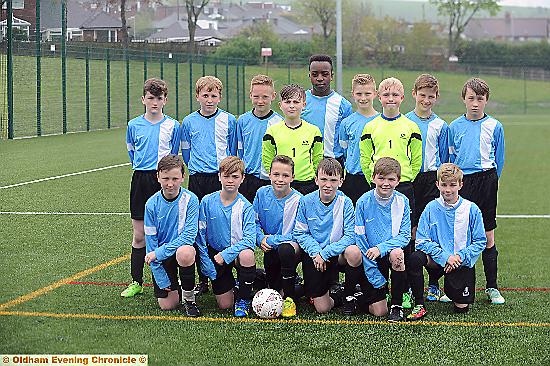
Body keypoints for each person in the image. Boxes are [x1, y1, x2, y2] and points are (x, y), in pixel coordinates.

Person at [359, 76, 422, 309]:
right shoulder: (371, 126)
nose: (390, 99)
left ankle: (403, 291)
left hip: (402, 185)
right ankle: (378, 285)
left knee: (405, 237)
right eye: (386, 95)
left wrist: (407, 178)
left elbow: (416, 159)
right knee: (376, 234)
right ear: (379, 96)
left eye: (395, 95)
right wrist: (372, 180)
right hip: (378, 186)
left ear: (403, 98)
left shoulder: (411, 127)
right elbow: (365, 157)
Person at [448, 77, 506, 305]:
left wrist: (490, 180)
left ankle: (492, 287)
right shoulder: (454, 127)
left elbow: (499, 160)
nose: (475, 103)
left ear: (486, 101)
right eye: (471, 98)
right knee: (460, 235)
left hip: (487, 181)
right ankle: (455, 286)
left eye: (479, 99)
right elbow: (449, 159)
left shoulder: (495, 126)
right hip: (463, 182)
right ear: (464, 99)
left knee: (488, 234)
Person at [122, 78, 180, 298]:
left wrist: (163, 176)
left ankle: (166, 281)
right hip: (141, 180)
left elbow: (173, 156)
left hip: (163, 180)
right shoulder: (133, 125)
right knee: (139, 236)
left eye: (159, 98)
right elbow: (131, 152)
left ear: (165, 100)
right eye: (150, 98)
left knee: (165, 234)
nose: (154, 102)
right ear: (143, 99)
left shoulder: (173, 125)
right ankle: (136, 281)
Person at [181, 75, 238, 296]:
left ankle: (225, 275)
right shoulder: (188, 122)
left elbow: (233, 150)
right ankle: (203, 278)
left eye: (214, 95)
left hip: (219, 179)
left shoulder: (229, 120)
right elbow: (186, 151)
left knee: (222, 227)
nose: (209, 99)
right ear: (197, 97)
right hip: (198, 180)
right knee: (198, 229)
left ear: (220, 97)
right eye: (205, 95)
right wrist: (196, 167)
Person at [407, 163, 487, 320]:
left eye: (452, 185)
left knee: (461, 308)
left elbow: (480, 241)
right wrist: (444, 257)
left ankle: (452, 291)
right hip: (436, 261)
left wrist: (459, 257)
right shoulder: (430, 208)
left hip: (459, 261)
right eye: (444, 185)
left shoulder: (472, 209)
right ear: (437, 185)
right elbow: (421, 241)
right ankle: (419, 304)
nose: (448, 189)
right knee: (415, 258)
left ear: (460, 185)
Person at [405, 74, 450, 303]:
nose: (426, 100)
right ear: (414, 94)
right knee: (411, 231)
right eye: (422, 95)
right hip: (410, 180)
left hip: (432, 180)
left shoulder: (441, 125)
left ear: (436, 97)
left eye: (430, 96)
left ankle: (434, 283)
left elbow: (445, 159)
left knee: (432, 232)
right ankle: (413, 284)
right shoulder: (405, 122)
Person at [349, 157, 411, 322]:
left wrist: (382, 248)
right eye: (381, 178)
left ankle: (397, 306)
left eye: (391, 179)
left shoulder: (403, 201)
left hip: (388, 253)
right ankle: (354, 295)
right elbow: (360, 239)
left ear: (398, 180)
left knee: (398, 253)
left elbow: (405, 236)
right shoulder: (363, 202)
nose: (386, 183)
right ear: (373, 178)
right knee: (379, 312)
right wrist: (373, 272)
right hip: (370, 258)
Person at [195, 156, 257, 317]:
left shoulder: (246, 206)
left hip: (234, 253)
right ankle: (244, 282)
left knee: (247, 254)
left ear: (242, 179)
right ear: (219, 177)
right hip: (214, 254)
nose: (230, 181)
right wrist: (205, 261)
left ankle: (244, 299)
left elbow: (250, 239)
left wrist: (226, 254)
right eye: (226, 176)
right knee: (225, 305)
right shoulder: (207, 202)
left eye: (235, 177)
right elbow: (200, 236)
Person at [293, 158, 355, 314]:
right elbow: (300, 232)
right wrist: (316, 252)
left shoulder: (345, 202)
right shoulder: (306, 201)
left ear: (341, 181)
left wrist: (325, 253)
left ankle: (350, 293)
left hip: (335, 253)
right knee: (322, 308)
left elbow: (350, 236)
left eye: (333, 180)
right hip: (314, 255)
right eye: (324, 179)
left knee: (354, 252)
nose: (328, 185)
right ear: (316, 180)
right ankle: (334, 292)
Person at [143, 155, 201, 316]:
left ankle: (189, 299)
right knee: (168, 305)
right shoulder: (151, 205)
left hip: (179, 251)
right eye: (165, 178)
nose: (170, 183)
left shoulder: (191, 199)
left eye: (175, 178)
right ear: (158, 177)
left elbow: (189, 237)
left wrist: (159, 253)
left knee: (185, 252)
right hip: (161, 257)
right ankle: (178, 285)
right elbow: (151, 243)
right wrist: (160, 276)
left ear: (183, 177)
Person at [253, 155, 302, 318]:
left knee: (284, 249)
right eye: (276, 174)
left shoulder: (298, 200)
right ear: (269, 174)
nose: (280, 179)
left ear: (293, 177)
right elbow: (253, 222)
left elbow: (298, 233)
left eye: (285, 175)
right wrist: (260, 238)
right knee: (273, 289)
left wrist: (270, 240)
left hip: (290, 249)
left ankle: (291, 298)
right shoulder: (261, 193)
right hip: (269, 250)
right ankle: (288, 283)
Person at [262, 84, 323, 195]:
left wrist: (313, 176)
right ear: (280, 105)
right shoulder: (272, 131)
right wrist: (278, 178)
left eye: (296, 102)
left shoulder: (314, 131)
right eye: (287, 102)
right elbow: (268, 160)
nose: (291, 106)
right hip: (282, 185)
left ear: (303, 105)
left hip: (307, 185)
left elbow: (317, 159)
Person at [237, 74, 284, 203]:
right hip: (248, 179)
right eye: (256, 96)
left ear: (273, 96)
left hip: (271, 179)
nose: (260, 101)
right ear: (250, 95)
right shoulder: (242, 121)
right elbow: (240, 151)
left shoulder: (279, 122)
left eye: (265, 97)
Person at [301, 54, 353, 166]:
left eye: (325, 74)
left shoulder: (343, 105)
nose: (320, 78)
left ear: (332, 76)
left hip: (333, 163)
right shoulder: (299, 101)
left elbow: (348, 140)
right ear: (309, 75)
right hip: (304, 162)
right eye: (315, 74)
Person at [339, 74, 379, 205]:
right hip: (353, 178)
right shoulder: (346, 123)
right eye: (359, 94)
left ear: (375, 93)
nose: (363, 98)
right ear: (353, 94)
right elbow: (344, 151)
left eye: (367, 93)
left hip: (375, 178)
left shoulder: (381, 121)